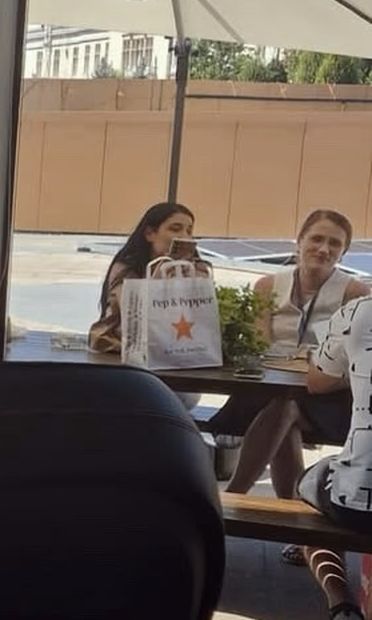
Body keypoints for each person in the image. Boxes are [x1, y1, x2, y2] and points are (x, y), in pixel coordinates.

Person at [223, 209, 369, 500]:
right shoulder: (267, 286)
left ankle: (234, 495)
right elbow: (259, 346)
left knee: (285, 409)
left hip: (326, 396)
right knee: (284, 409)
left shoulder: (354, 292)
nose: (324, 249)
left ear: (344, 252)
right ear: (299, 241)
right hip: (269, 388)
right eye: (316, 239)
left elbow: (348, 362)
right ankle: (292, 512)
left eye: (334, 243)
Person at [292, 293, 372, 620]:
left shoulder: (359, 311)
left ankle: (342, 605)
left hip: (355, 497)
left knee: (309, 490)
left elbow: (317, 382)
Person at [87, 200, 197, 356]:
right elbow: (133, 314)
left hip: (178, 348)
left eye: (189, 231)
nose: (184, 236)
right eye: (175, 229)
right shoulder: (126, 268)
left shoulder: (194, 268)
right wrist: (157, 280)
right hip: (122, 348)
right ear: (150, 234)